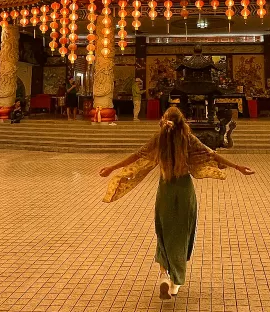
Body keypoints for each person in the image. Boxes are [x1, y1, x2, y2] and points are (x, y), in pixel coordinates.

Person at [99, 107, 254, 299]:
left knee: (163, 233)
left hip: (165, 190)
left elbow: (137, 155)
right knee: (181, 235)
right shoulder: (188, 139)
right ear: (183, 122)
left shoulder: (159, 139)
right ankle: (175, 281)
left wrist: (112, 167)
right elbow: (211, 154)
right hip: (184, 192)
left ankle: (164, 274)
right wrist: (237, 167)